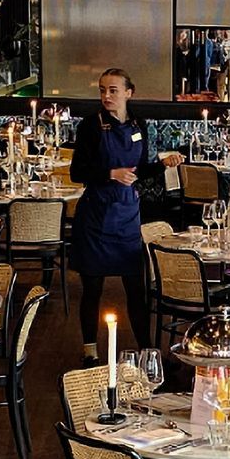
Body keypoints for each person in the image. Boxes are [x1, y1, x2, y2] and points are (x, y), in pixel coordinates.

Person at [69, 66, 149, 363]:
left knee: (136, 290)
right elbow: (78, 172)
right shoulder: (90, 126)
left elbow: (139, 172)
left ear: (129, 92)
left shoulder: (140, 124)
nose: (106, 96)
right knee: (92, 289)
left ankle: (147, 351)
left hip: (128, 215)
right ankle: (90, 351)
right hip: (96, 216)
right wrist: (110, 173)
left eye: (113, 90)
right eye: (102, 90)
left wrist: (165, 165)